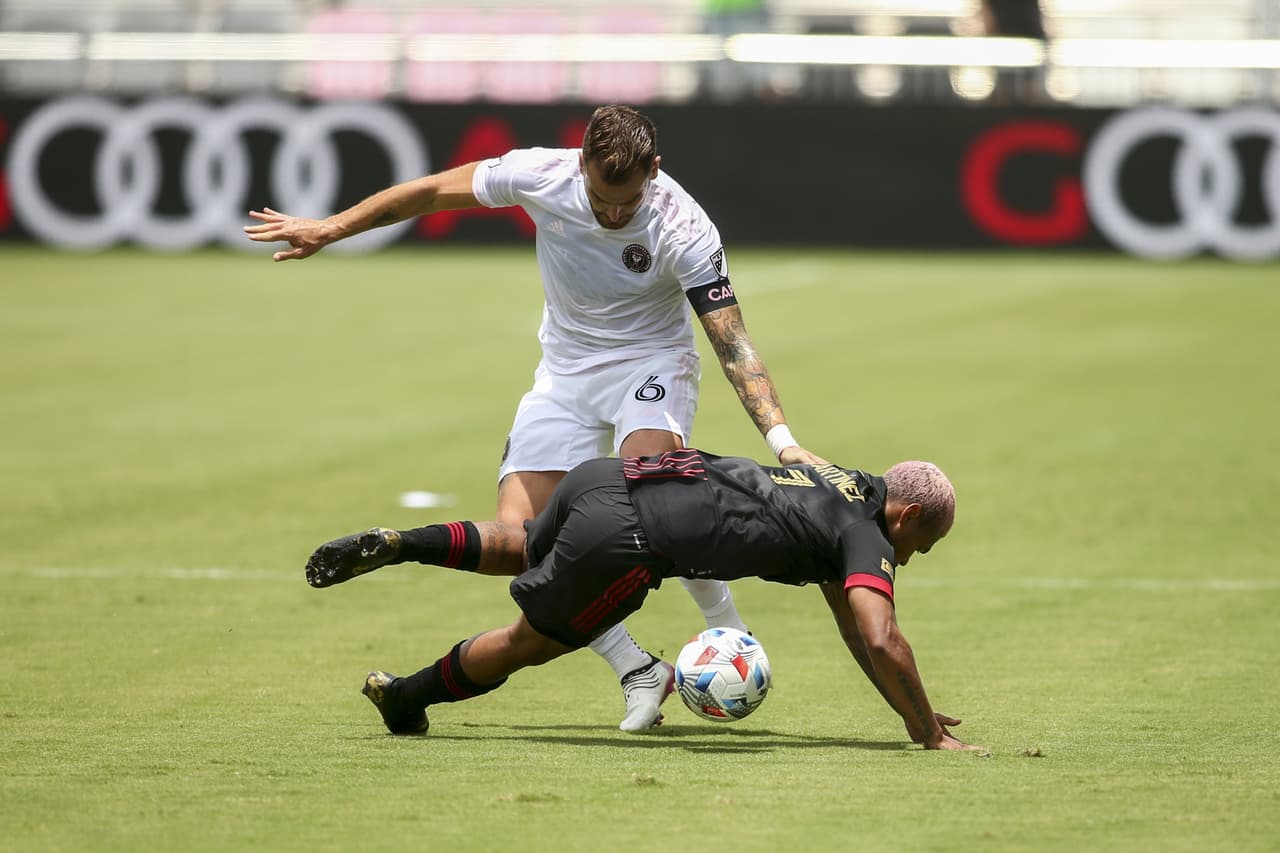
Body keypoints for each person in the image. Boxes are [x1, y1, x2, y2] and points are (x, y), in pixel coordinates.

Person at [244, 105, 824, 733]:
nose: (612, 214)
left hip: (650, 365)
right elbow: (432, 192)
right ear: (581, 166)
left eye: (625, 203)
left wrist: (783, 441)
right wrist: (331, 229)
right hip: (565, 375)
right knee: (527, 542)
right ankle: (637, 669)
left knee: (657, 502)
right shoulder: (540, 175)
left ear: (654, 171)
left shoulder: (682, 225)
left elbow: (732, 343)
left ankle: (729, 632)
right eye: (601, 200)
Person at [303, 448, 982, 751]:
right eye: (928, 540)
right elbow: (882, 634)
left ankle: (403, 540)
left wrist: (909, 704)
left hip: (607, 479)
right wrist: (928, 734)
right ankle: (406, 698)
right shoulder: (868, 535)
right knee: (528, 642)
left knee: (524, 540)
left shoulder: (838, 484)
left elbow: (855, 628)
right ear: (912, 515)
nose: (914, 556)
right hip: (632, 540)